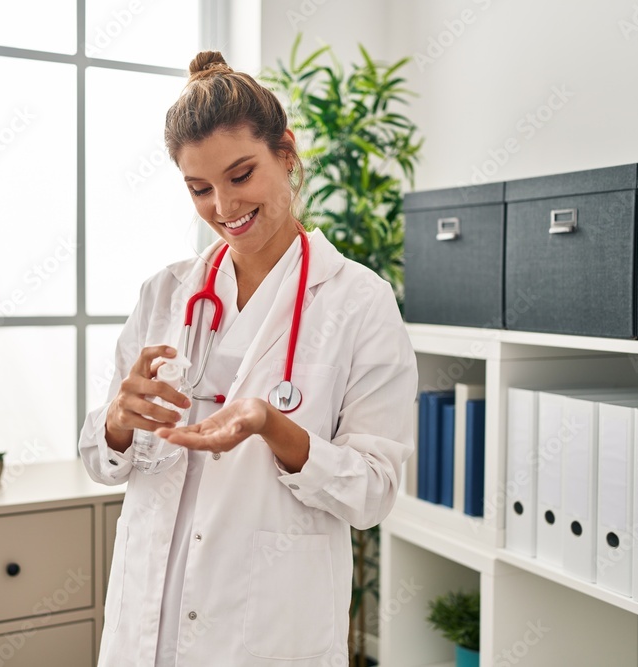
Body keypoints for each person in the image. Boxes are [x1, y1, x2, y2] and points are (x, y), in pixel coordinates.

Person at [79, 50, 417, 667]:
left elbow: (373, 492)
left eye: (241, 175)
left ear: (285, 153)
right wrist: (117, 423)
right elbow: (100, 463)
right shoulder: (165, 294)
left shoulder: (359, 303)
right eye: (199, 188)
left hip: (265, 633)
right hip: (146, 623)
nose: (223, 207)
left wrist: (271, 425)